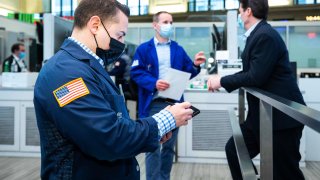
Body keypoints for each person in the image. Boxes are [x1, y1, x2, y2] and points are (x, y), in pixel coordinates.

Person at [33, 1, 195, 179]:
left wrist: (151, 131)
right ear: (95, 25)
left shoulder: (87, 66)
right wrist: (166, 120)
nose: (122, 43)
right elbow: (107, 138)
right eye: (120, 35)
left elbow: (113, 123)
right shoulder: (66, 73)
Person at [206, 0, 305, 179]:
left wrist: (221, 81)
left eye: (239, 10)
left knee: (285, 173)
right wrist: (223, 80)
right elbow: (250, 73)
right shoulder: (256, 35)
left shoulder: (265, 35)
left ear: (248, 11)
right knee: (234, 150)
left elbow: (255, 76)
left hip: (281, 119)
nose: (238, 14)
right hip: (261, 118)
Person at [130, 11, 206, 180]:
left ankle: (164, 178)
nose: (169, 25)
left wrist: (195, 64)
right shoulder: (144, 49)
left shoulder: (177, 49)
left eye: (171, 22)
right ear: (155, 25)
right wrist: (154, 82)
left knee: (169, 146)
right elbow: (135, 72)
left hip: (175, 104)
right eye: (165, 21)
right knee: (153, 146)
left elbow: (189, 71)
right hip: (153, 103)